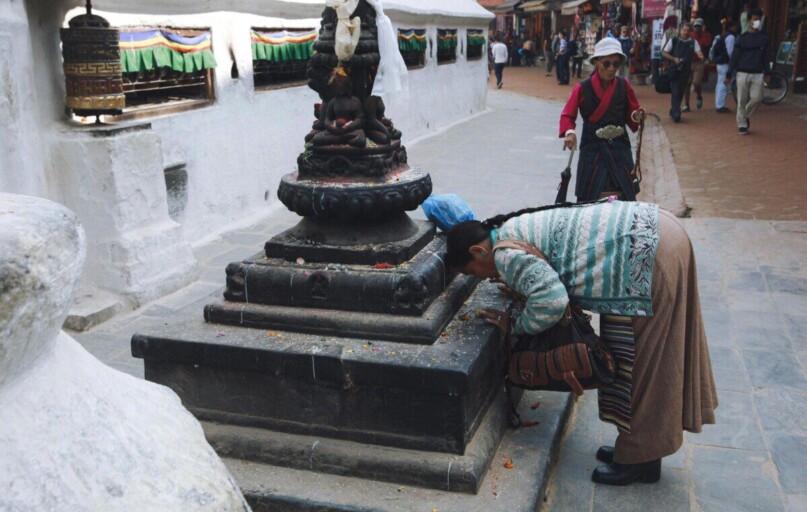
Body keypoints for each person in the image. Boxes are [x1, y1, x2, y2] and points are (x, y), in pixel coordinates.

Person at [445, 200, 718, 486]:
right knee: (635, 356)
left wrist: (514, 324)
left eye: (475, 271)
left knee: (643, 362)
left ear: (478, 251)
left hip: (649, 251)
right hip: (654, 234)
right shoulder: (505, 230)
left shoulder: (504, 256)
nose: (485, 277)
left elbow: (551, 302)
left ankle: (641, 459)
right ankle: (641, 452)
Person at [559, 38, 644, 201]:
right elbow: (567, 115)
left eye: (616, 64)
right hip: (593, 149)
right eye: (607, 63)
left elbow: (632, 114)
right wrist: (569, 132)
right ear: (596, 62)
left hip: (620, 148)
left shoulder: (623, 85)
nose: (612, 69)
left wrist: (637, 116)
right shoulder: (582, 88)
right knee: (590, 197)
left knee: (625, 196)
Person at [726, 8, 769, 135]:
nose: (758, 22)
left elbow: (766, 56)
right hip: (742, 73)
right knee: (741, 100)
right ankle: (742, 125)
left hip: (758, 73)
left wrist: (768, 72)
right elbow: (734, 57)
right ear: (749, 21)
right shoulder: (742, 39)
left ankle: (744, 116)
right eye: (755, 19)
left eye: (759, 20)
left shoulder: (764, 38)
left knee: (757, 98)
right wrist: (729, 74)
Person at [661, 23, 703, 123]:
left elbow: (698, 52)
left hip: (685, 72)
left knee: (680, 92)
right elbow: (663, 52)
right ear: (680, 31)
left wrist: (701, 56)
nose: (686, 32)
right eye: (684, 30)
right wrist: (673, 59)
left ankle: (673, 110)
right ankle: (676, 114)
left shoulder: (693, 42)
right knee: (675, 91)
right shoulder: (674, 40)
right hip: (674, 71)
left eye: (688, 31)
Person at [685, 19, 713, 111]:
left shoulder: (706, 35)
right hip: (689, 62)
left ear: (702, 27)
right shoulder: (690, 35)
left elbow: (707, 45)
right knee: (687, 84)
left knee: (696, 82)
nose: (697, 28)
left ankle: (699, 96)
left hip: (699, 62)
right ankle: (686, 104)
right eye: (696, 26)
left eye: (699, 27)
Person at [711, 21, 738, 113]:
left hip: (720, 63)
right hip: (725, 63)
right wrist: (734, 63)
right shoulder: (730, 37)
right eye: (735, 26)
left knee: (720, 84)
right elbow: (731, 52)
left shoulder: (723, 36)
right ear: (732, 27)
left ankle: (718, 104)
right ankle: (720, 106)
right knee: (724, 84)